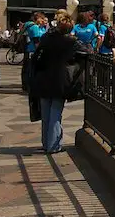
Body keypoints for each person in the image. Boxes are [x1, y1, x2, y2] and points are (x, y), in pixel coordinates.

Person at [29, 12, 80, 154]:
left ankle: (46, 143)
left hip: (44, 76)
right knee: (56, 113)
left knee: (45, 114)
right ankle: (54, 146)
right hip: (60, 79)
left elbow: (37, 55)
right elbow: (86, 51)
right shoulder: (71, 41)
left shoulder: (46, 37)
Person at [22, 13, 47, 92]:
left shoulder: (29, 25)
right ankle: (30, 86)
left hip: (29, 49)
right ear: (38, 18)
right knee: (32, 69)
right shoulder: (35, 27)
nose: (43, 20)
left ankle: (26, 86)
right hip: (33, 50)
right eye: (41, 18)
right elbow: (36, 41)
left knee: (27, 69)